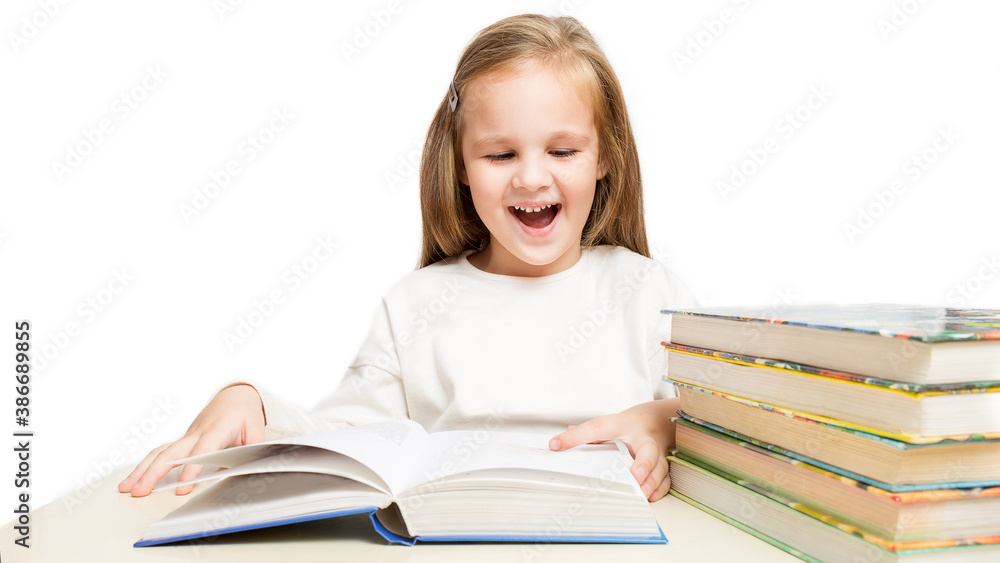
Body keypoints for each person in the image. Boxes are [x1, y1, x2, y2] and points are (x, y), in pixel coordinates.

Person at [119, 13, 697, 504]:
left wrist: (665, 422)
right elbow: (349, 439)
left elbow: (746, 423)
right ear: (463, 169)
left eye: (563, 150)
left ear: (604, 156)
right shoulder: (416, 306)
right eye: (499, 153)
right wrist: (251, 400)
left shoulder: (650, 295)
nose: (530, 176)